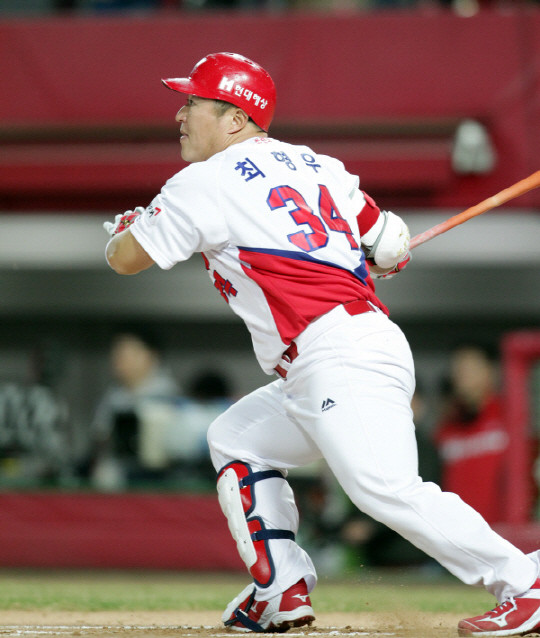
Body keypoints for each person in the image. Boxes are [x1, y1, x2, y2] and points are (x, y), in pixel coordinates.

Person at [103, 52, 540, 636]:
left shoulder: (204, 180)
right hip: (333, 353)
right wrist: (380, 254)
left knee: (384, 489)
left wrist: (125, 230)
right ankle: (280, 588)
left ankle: (524, 581)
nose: (180, 115)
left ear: (235, 118)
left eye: (193, 103)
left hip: (339, 352)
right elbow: (385, 240)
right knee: (236, 438)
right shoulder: (319, 165)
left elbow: (126, 260)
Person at [87, 330, 180, 489]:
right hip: (119, 479)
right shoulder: (113, 396)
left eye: (127, 354)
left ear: (151, 356)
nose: (119, 361)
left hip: (160, 482)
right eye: (117, 354)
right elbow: (99, 437)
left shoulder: (168, 395)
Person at [433, 346, 509, 524]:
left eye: (469, 368)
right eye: (458, 369)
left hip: (503, 529)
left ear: (491, 372)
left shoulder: (510, 416)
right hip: (458, 529)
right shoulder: (447, 427)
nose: (461, 375)